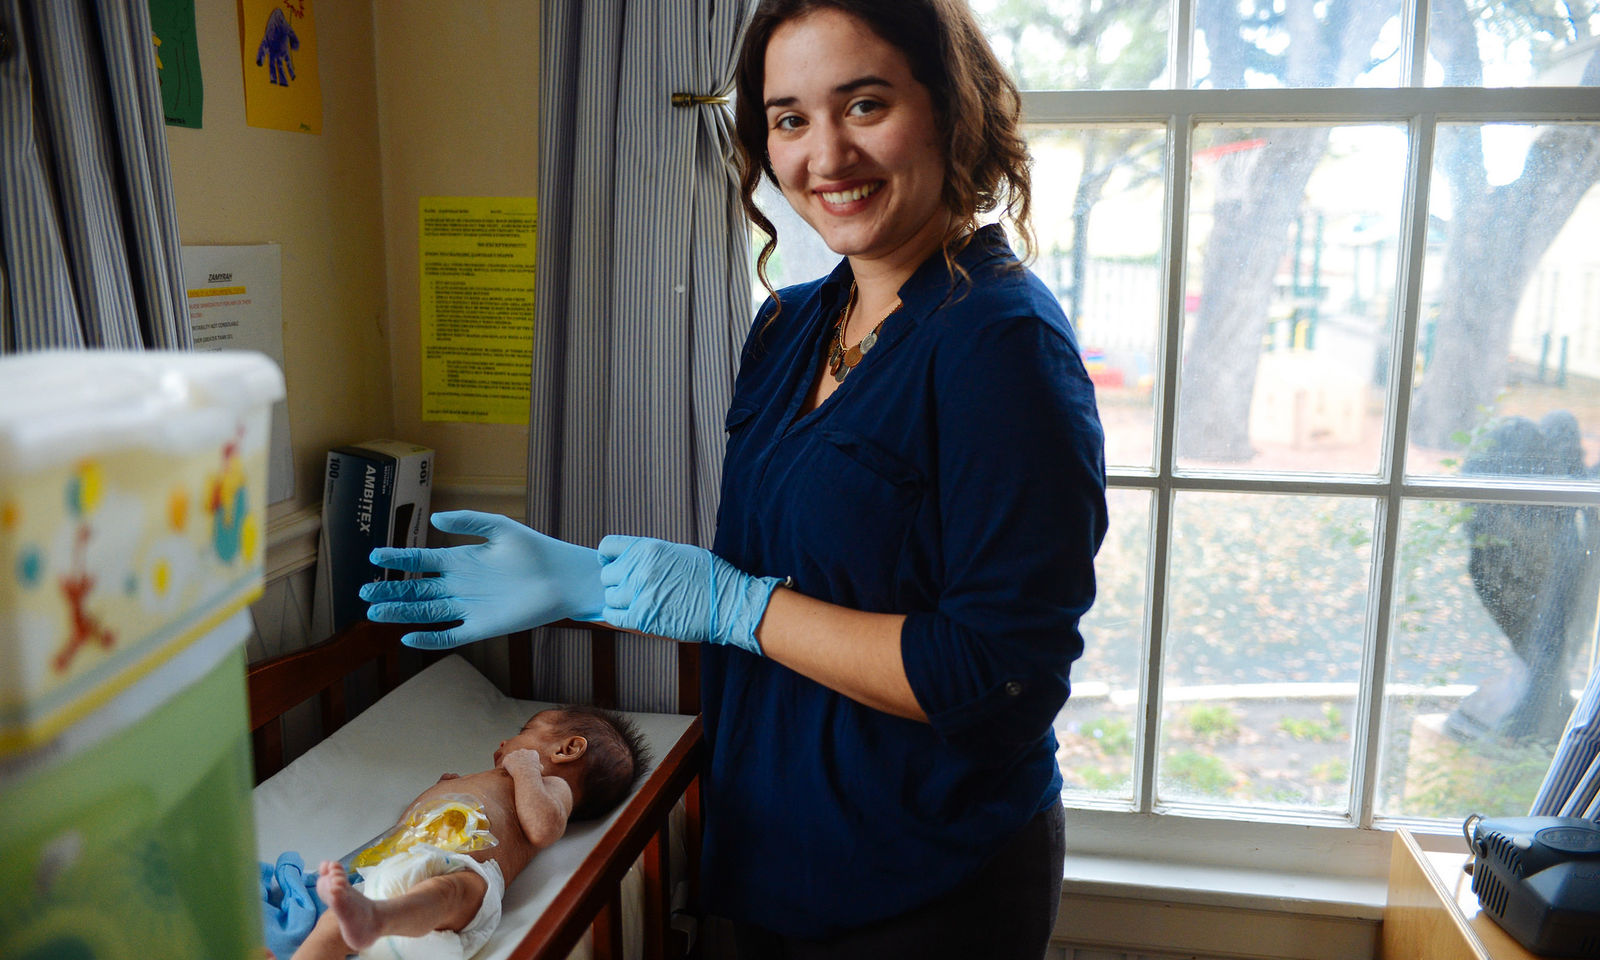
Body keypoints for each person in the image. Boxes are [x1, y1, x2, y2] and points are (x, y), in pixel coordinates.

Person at [359, 1, 1107, 956]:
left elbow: (994, 674)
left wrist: (732, 606)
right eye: (789, 119)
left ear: (952, 109)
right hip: (767, 851)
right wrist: (594, 582)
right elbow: (794, 564)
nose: (825, 155)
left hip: (924, 875)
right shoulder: (790, 327)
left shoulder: (1002, 347)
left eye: (864, 104)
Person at [290, 706, 649, 960]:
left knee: (450, 891)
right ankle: (355, 924)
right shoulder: (491, 779)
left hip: (469, 867)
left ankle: (379, 918)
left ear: (567, 749)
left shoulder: (553, 785)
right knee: (332, 924)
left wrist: (525, 771)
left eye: (522, 733)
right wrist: (441, 790)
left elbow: (544, 829)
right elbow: (409, 822)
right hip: (403, 857)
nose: (503, 743)